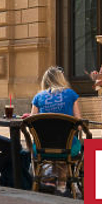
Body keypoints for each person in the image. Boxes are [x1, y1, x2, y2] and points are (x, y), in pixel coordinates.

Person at [28, 66, 83, 194]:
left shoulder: (38, 97)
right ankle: (62, 184)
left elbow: (32, 125)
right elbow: (79, 124)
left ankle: (48, 178)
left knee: (54, 140)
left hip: (42, 148)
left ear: (45, 81)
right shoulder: (71, 94)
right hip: (67, 147)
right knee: (69, 142)